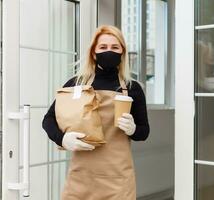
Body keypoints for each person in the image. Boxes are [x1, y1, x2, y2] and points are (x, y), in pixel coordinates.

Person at [42, 25, 150, 200]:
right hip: (81, 177)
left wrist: (133, 129)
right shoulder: (77, 84)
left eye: (115, 47)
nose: (109, 51)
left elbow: (144, 132)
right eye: (103, 47)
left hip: (118, 180)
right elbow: (48, 119)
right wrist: (62, 139)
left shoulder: (132, 88)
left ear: (122, 52)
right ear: (93, 52)